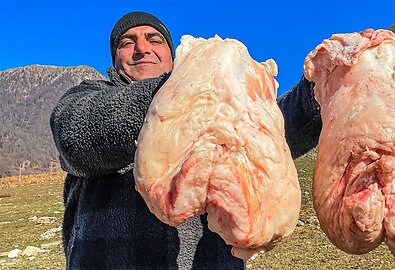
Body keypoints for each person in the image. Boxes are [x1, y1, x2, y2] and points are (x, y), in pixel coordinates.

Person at [50, 11, 321, 270]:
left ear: (172, 53)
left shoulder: (222, 100)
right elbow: (75, 134)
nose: (142, 48)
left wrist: (321, 91)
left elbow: (274, 133)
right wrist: (181, 88)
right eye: (127, 43)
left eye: (154, 40)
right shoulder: (89, 95)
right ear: (115, 57)